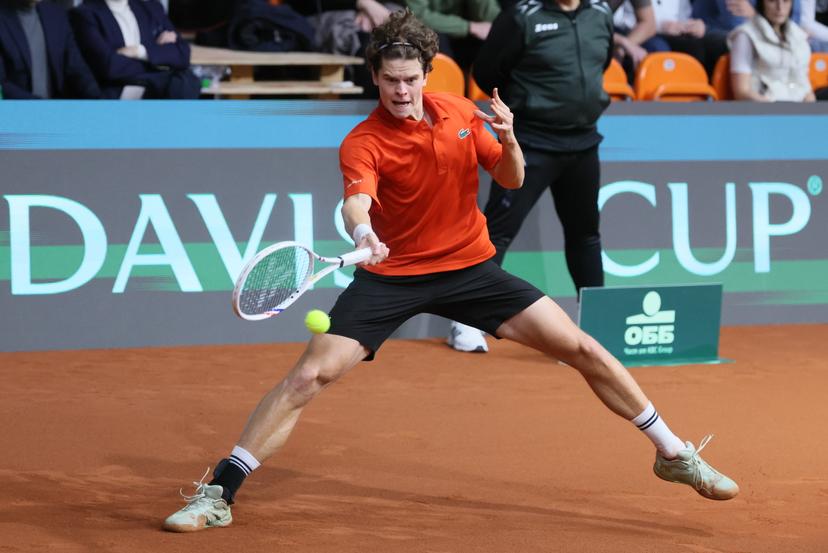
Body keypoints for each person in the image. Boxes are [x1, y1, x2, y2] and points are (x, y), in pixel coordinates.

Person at [161, 9, 739, 533]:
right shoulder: (362, 142)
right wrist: (364, 234)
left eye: (411, 79)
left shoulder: (462, 112)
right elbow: (355, 203)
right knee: (308, 378)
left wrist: (510, 142)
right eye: (390, 81)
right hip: (391, 276)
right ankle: (218, 492)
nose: (402, 92)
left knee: (580, 347)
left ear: (427, 74)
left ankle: (672, 453)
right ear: (376, 79)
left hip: (471, 269)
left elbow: (510, 179)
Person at [447, 0, 613, 353]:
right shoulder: (523, 17)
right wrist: (528, 101)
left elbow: (603, 61)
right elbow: (488, 72)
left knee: (585, 235)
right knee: (496, 233)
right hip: (531, 143)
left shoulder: (600, 14)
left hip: (583, 142)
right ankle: (466, 321)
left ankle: (596, 327)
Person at [69, 0, 200, 99]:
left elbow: (183, 54)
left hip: (160, 89)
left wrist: (139, 51)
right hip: (120, 92)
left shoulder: (151, 8)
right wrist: (157, 59)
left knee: (185, 82)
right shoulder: (84, 14)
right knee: (180, 84)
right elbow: (109, 66)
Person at [0, 0, 101, 99]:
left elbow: (77, 68)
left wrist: (98, 101)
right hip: (15, 111)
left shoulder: (55, 13)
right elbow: (3, 84)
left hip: (55, 110)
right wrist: (43, 108)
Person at [728, 0, 815, 100]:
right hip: (766, 109)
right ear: (762, 4)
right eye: (772, 1)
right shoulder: (745, 35)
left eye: (786, 1)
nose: (780, 7)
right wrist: (774, 110)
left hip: (799, 109)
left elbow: (805, 87)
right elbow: (742, 92)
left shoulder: (799, 36)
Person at [407, 0, 501, 71]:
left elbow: (491, 18)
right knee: (436, 41)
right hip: (430, 34)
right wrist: (469, 27)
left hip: (466, 36)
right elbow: (418, 16)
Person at [608, 0, 659, 80]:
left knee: (656, 48)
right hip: (586, 38)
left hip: (605, 31)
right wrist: (620, 41)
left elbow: (649, 24)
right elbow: (583, 29)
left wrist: (622, 48)